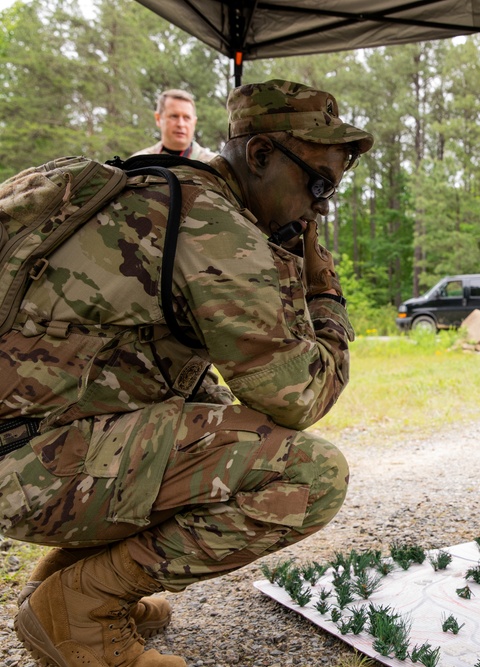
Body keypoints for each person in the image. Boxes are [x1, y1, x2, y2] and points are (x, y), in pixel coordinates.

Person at [0, 79, 373, 667]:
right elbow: (299, 394)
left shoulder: (147, 184)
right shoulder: (215, 227)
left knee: (209, 420)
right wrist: (325, 293)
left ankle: (64, 584)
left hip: (27, 445)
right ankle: (82, 611)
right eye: (318, 183)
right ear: (259, 155)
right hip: (27, 469)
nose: (321, 206)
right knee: (310, 475)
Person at [132, 89, 217, 161]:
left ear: (194, 122)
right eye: (174, 116)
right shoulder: (138, 161)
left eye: (186, 117)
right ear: (158, 119)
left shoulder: (214, 164)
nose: (181, 124)